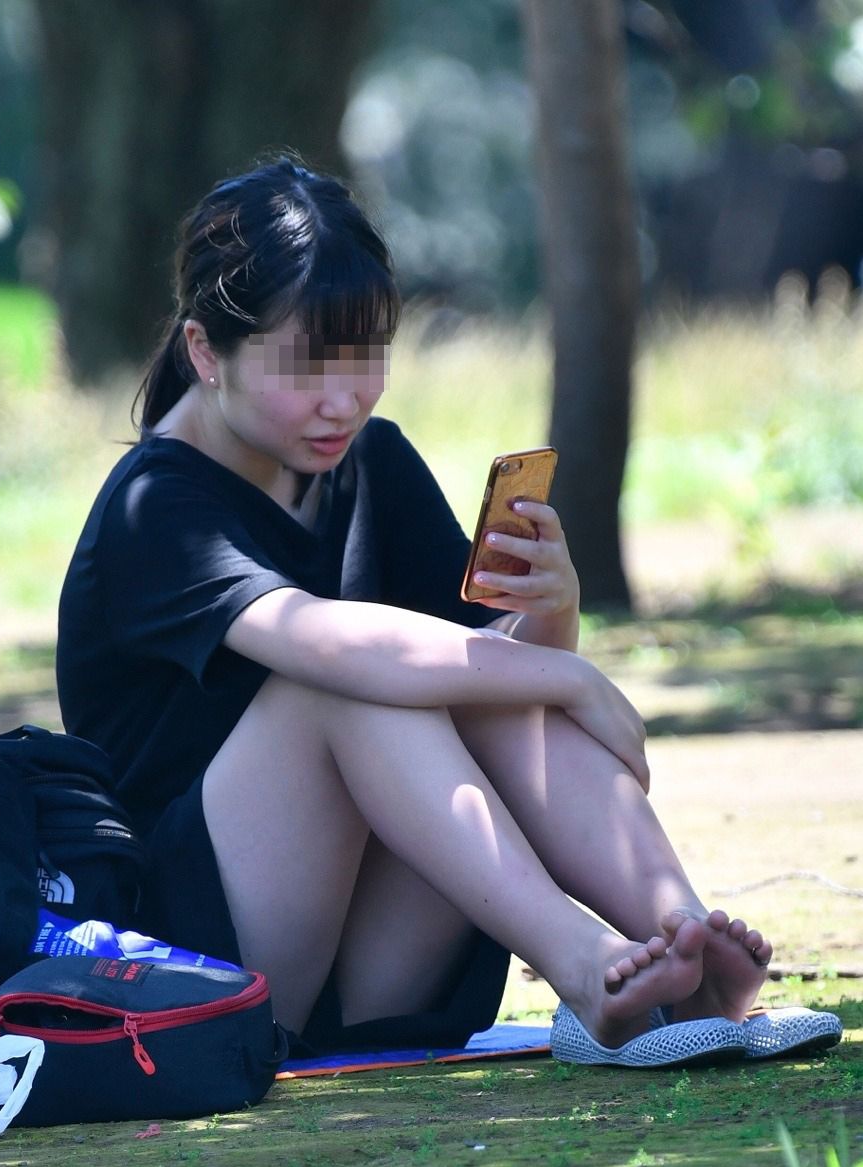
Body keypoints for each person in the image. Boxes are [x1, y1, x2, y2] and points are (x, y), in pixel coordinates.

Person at [55, 157, 774, 1064]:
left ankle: (683, 943)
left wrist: (549, 617)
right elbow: (325, 643)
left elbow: (487, 675)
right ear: (206, 352)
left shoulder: (371, 461)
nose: (343, 399)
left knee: (466, 679)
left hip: (379, 971)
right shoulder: (154, 509)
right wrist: (568, 676)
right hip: (211, 976)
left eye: (365, 358)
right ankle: (584, 967)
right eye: (305, 367)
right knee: (342, 683)